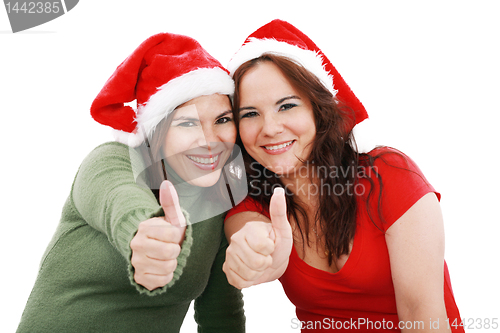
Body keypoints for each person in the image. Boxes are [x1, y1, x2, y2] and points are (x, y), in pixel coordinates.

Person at [222, 19, 464, 332]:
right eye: (250, 114)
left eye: (287, 106)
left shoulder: (388, 175)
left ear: (318, 109)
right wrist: (254, 253)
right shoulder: (249, 198)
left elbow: (422, 314)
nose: (269, 128)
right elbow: (248, 234)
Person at [17, 32, 246, 333]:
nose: (210, 141)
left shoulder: (221, 200)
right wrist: (146, 231)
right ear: (156, 131)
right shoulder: (111, 160)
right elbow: (120, 199)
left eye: (223, 120)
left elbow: (221, 315)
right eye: (187, 123)